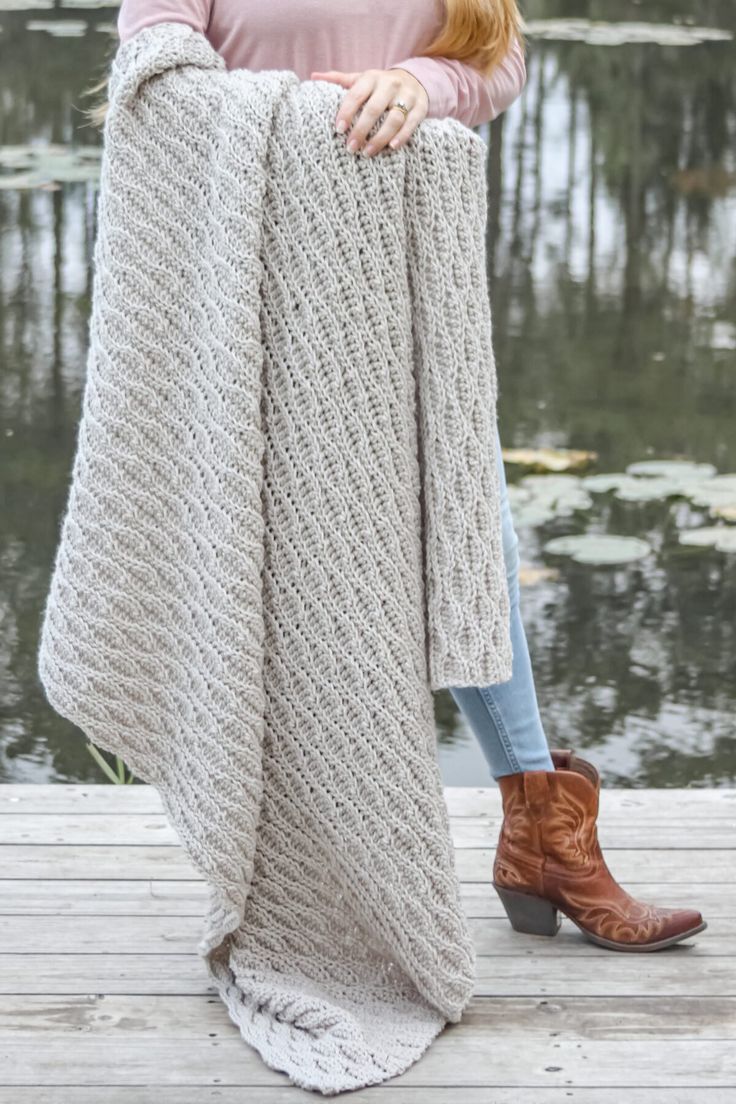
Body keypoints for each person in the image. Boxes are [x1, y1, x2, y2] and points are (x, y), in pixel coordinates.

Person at [114, 0, 706, 951]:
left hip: (397, 293)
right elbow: (155, 57)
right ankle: (302, 873)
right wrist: (301, 119)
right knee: (293, 583)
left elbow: (497, 58)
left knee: (474, 540)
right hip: (246, 302)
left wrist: (421, 85)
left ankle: (544, 838)